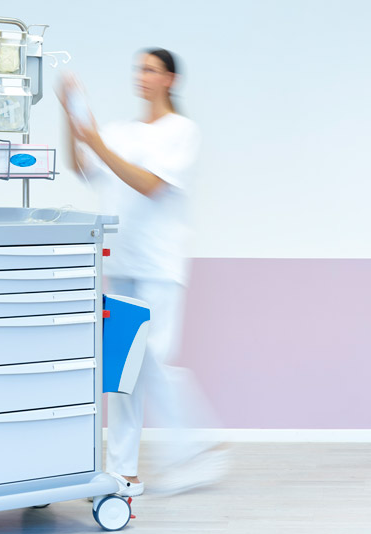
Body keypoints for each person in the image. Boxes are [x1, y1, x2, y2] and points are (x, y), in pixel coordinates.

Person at [59, 48, 228, 496]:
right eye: (138, 68)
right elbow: (80, 165)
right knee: (124, 366)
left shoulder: (182, 132)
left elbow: (151, 185)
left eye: (150, 69)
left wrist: (97, 143)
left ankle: (198, 447)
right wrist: (70, 117)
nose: (141, 75)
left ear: (170, 79)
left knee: (151, 357)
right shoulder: (119, 132)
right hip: (122, 262)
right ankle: (123, 470)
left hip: (159, 262)